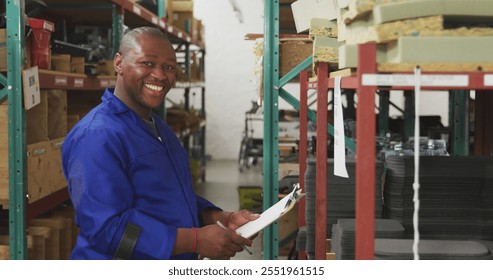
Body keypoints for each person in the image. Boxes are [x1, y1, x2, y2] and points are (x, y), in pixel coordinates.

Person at [62, 26, 259, 260]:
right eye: (147, 63)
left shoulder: (158, 128)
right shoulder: (97, 136)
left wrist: (219, 217)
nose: (160, 75)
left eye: (169, 67)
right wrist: (195, 240)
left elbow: (166, 196)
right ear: (119, 63)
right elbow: (106, 229)